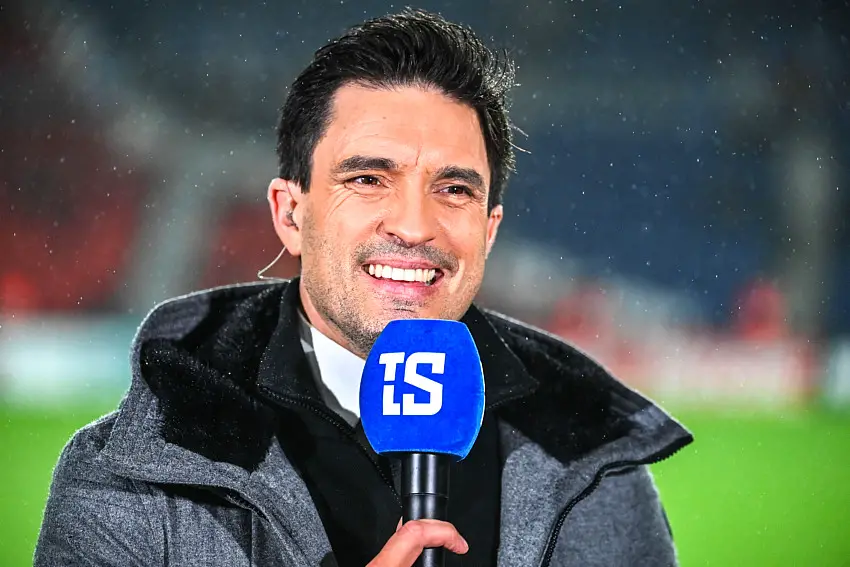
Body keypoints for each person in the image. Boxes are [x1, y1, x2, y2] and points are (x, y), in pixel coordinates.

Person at [35, 8, 692, 566]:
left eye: (454, 189)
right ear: (291, 215)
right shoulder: (125, 481)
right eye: (369, 179)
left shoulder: (596, 473)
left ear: (489, 231)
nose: (414, 225)